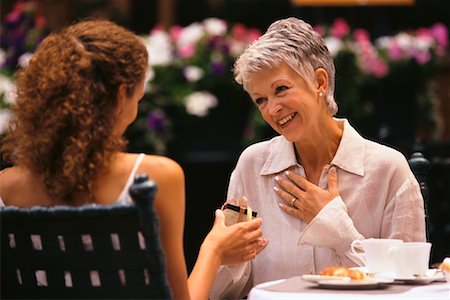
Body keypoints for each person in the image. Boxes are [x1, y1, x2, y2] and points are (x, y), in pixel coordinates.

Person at [0, 19, 268, 300]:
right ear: (120, 95)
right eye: (138, 97)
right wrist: (214, 249)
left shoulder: (6, 187)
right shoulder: (154, 176)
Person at [210, 17, 426, 299]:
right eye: (260, 100)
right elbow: (222, 294)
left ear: (319, 82)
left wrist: (337, 229)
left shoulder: (388, 168)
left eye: (281, 89)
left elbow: (408, 289)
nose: (273, 109)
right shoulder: (252, 165)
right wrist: (230, 257)